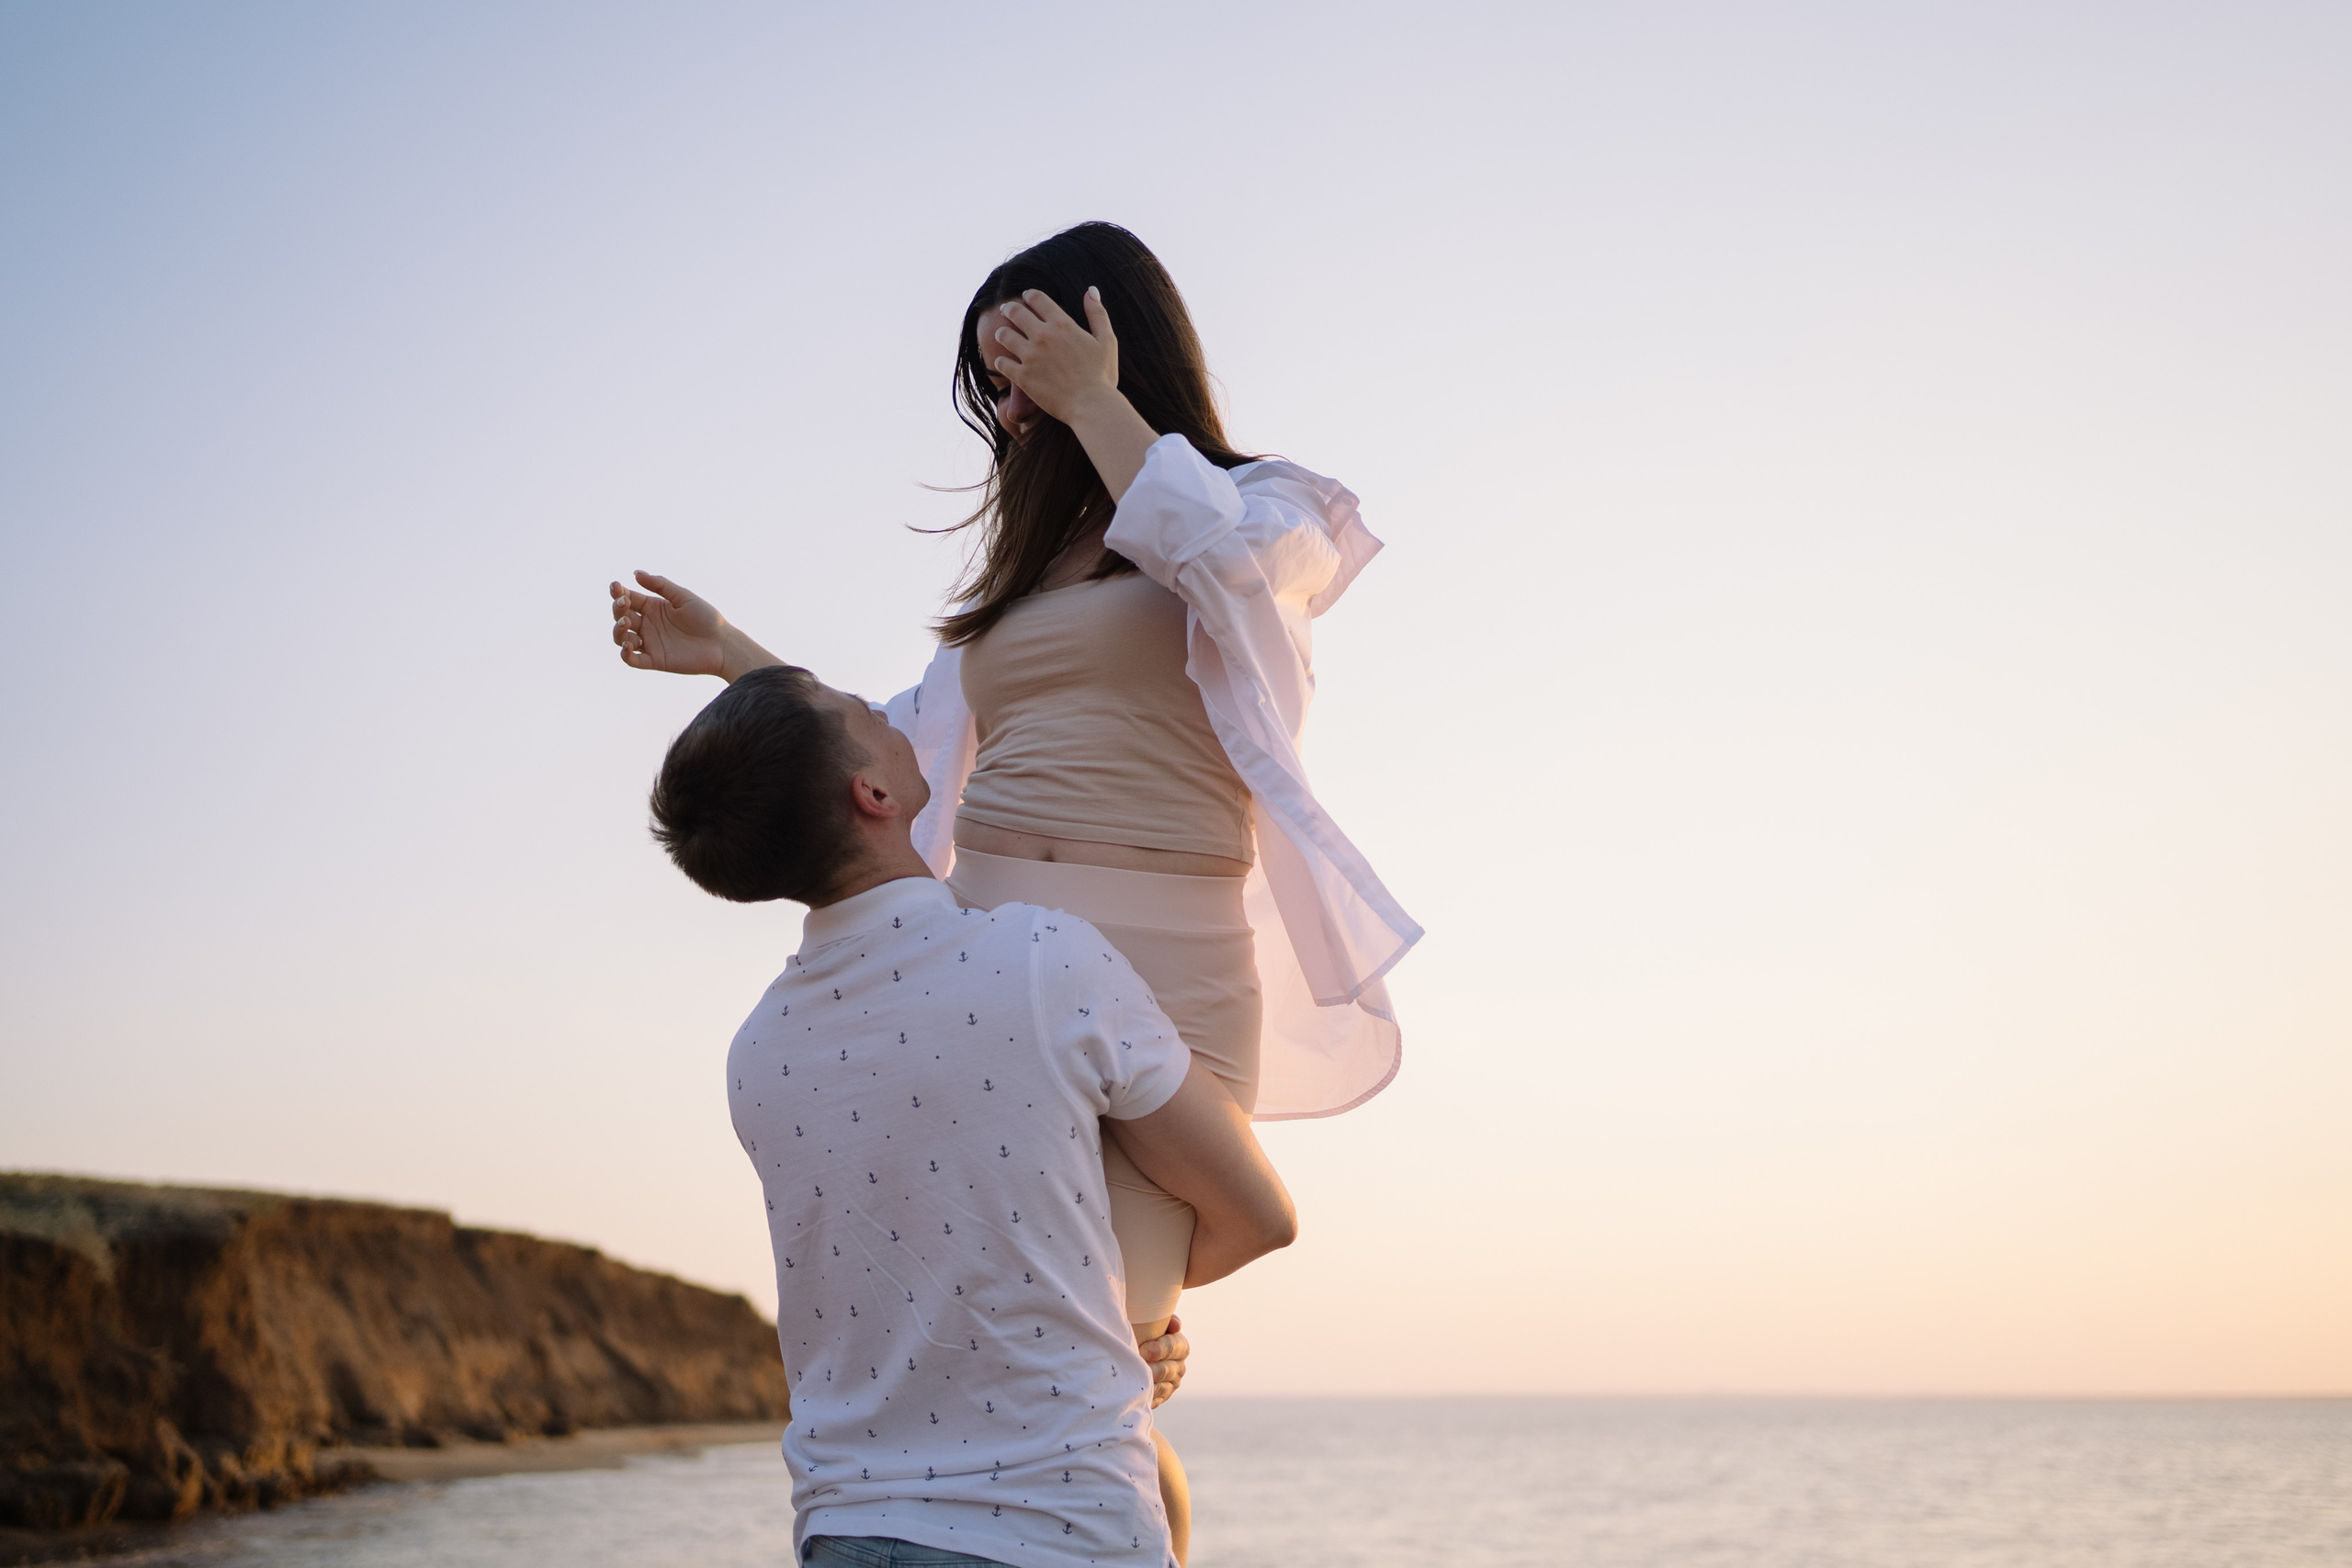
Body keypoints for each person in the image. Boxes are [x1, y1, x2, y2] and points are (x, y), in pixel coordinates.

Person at [610, 220, 1420, 1533]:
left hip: (1169, 976)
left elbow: (1227, 578)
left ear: (1116, 338)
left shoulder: (1266, 507)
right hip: (990, 978)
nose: (1012, 401)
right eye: (995, 379)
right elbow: (888, 744)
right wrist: (734, 660)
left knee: (1111, 1344)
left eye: (1028, 356)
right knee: (1067, 1369)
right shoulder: (1018, 577)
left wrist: (1102, 408)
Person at [650, 663, 1295, 1568]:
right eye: (860, 711)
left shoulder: (757, 1052)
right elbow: (1260, 1218)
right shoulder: (1040, 962)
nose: (884, 709)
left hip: (847, 1534)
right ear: (872, 793)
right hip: (1057, 1531)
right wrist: (1125, 1336)